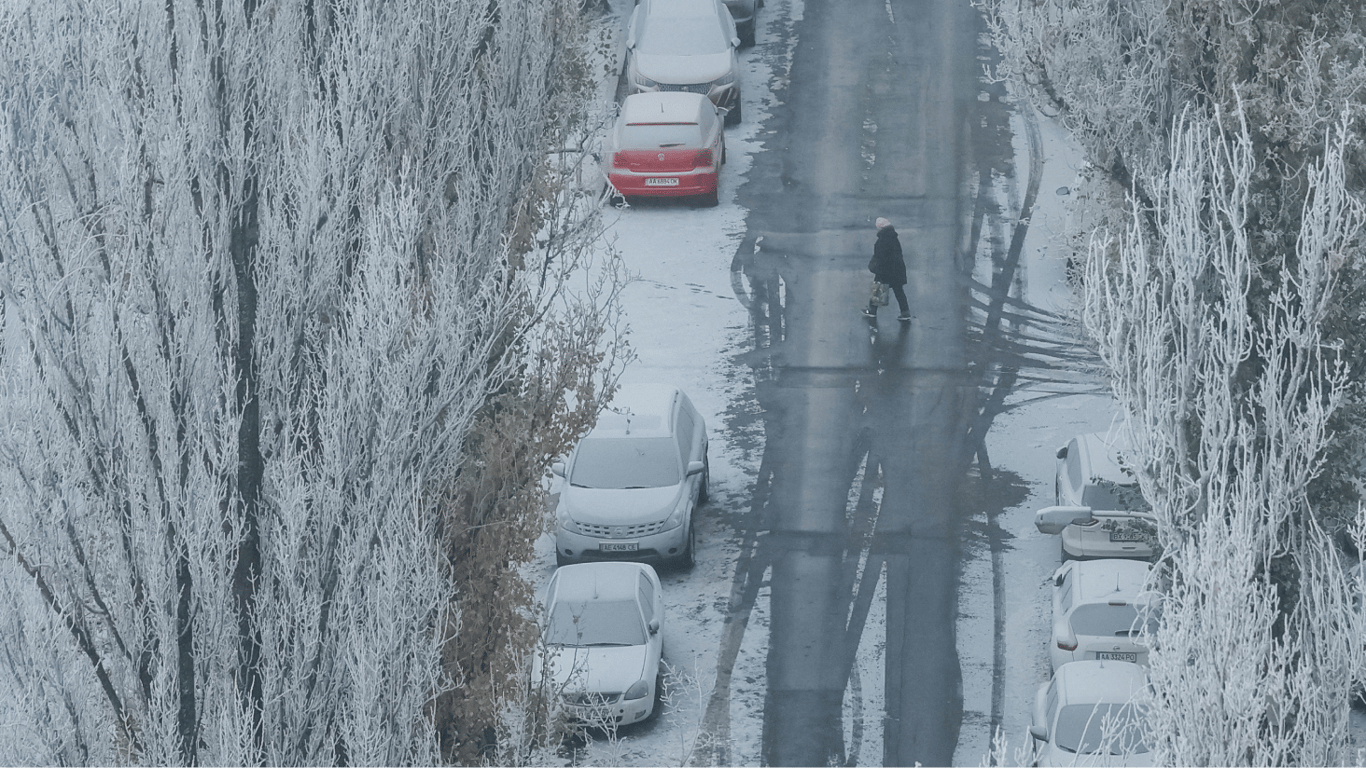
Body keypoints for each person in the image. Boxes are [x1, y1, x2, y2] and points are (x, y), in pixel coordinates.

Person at [864, 216, 911, 321]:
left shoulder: (882, 240)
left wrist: (876, 267)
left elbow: (880, 257)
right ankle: (905, 312)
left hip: (886, 270)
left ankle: (872, 311)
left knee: (877, 288)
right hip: (897, 269)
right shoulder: (894, 238)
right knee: (899, 291)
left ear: (880, 228)